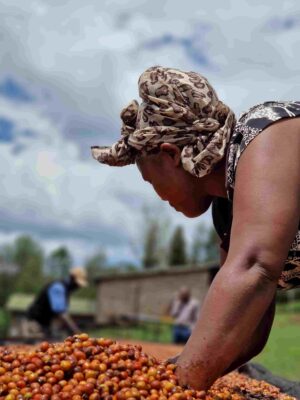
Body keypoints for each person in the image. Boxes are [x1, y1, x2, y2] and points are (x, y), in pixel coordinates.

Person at [91, 66, 300, 390]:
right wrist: (168, 374)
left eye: (150, 180)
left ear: (169, 154)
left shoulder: (266, 133)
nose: (159, 196)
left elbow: (254, 269)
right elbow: (247, 327)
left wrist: (174, 389)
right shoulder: (229, 214)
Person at [25, 267, 88, 339]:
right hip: (35, 321)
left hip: (45, 322)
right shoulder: (58, 287)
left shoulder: (65, 290)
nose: (77, 287)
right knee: (36, 344)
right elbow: (61, 313)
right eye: (77, 285)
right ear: (72, 278)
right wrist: (76, 332)